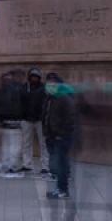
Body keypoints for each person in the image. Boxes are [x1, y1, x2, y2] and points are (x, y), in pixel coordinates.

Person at [42, 72, 77, 200]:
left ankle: (63, 190)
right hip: (52, 135)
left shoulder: (64, 98)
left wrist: (61, 134)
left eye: (52, 83)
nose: (49, 86)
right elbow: (47, 116)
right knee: (58, 163)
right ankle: (60, 188)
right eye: (48, 83)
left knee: (61, 164)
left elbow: (70, 118)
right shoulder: (51, 98)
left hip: (62, 136)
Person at [0, 71, 25, 176]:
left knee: (5, 145)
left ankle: (5, 166)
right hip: (15, 122)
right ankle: (12, 167)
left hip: (2, 123)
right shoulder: (19, 90)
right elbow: (24, 106)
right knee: (15, 146)